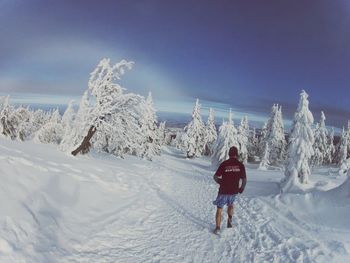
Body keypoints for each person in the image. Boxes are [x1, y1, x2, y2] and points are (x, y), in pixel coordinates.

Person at [213, 146, 247, 234]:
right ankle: (229, 221)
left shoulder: (224, 164)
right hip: (234, 191)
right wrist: (242, 188)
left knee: (219, 209)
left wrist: (220, 181)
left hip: (223, 190)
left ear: (229, 154)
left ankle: (217, 228)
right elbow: (244, 179)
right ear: (237, 154)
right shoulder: (240, 165)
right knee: (230, 205)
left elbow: (215, 177)